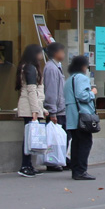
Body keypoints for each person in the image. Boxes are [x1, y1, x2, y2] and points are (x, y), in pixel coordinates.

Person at [15, 42, 47, 177]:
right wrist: (36, 110)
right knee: (29, 138)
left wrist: (41, 109)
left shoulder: (27, 66)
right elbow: (31, 90)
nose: (41, 55)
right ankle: (25, 166)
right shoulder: (30, 68)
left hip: (30, 106)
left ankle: (28, 165)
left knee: (30, 137)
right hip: (29, 107)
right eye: (40, 52)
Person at [64, 55, 97, 180]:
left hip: (72, 116)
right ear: (83, 66)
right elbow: (82, 96)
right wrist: (92, 93)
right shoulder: (82, 78)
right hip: (82, 115)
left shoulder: (69, 79)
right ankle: (82, 170)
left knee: (76, 144)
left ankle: (76, 170)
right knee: (85, 142)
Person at [42, 42, 66, 171]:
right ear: (56, 53)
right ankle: (52, 162)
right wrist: (52, 112)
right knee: (54, 138)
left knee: (60, 137)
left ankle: (59, 160)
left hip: (60, 108)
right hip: (56, 110)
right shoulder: (51, 68)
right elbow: (51, 91)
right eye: (62, 51)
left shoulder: (57, 67)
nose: (64, 54)